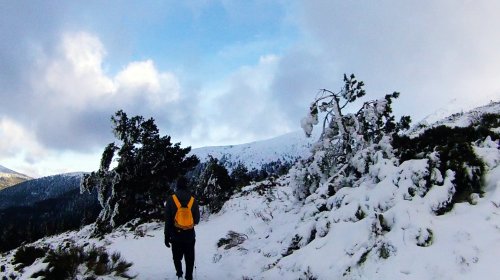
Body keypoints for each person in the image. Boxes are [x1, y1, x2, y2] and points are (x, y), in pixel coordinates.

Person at [164, 176, 200, 280]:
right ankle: (189, 276)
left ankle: (179, 274)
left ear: (177, 186)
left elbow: (168, 220)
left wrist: (166, 236)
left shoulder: (171, 199)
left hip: (175, 235)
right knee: (189, 258)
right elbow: (197, 220)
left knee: (176, 257)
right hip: (189, 235)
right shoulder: (193, 200)